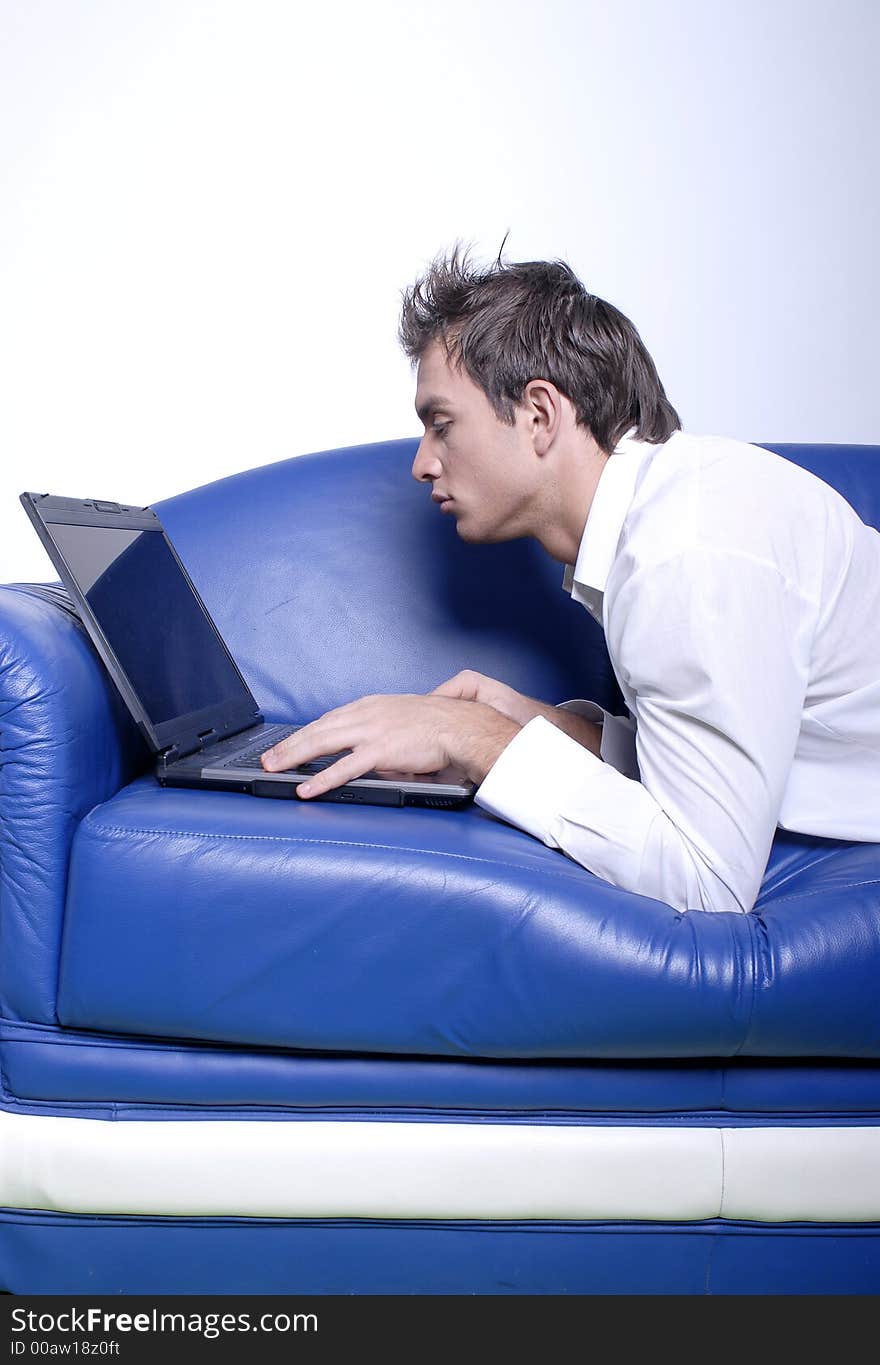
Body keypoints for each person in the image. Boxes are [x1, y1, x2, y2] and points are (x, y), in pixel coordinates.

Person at [262, 247, 880, 914]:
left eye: (441, 425)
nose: (421, 463)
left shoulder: (685, 554)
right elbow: (725, 756)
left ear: (539, 415)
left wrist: (476, 740)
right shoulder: (665, 521)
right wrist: (550, 731)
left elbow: (707, 884)